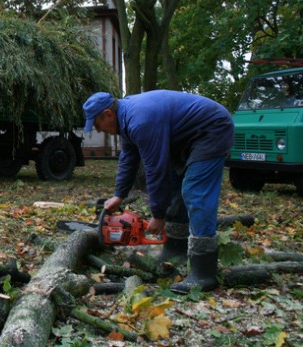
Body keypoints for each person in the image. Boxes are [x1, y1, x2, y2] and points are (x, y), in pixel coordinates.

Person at [83, 90, 234, 294]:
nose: (101, 131)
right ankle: (175, 248)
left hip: (212, 130)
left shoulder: (140, 121)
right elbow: (128, 157)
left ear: (108, 114)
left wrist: (158, 214)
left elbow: (155, 169)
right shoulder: (128, 120)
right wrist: (119, 195)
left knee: (194, 191)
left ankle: (203, 272)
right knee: (175, 186)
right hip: (187, 139)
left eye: (99, 126)